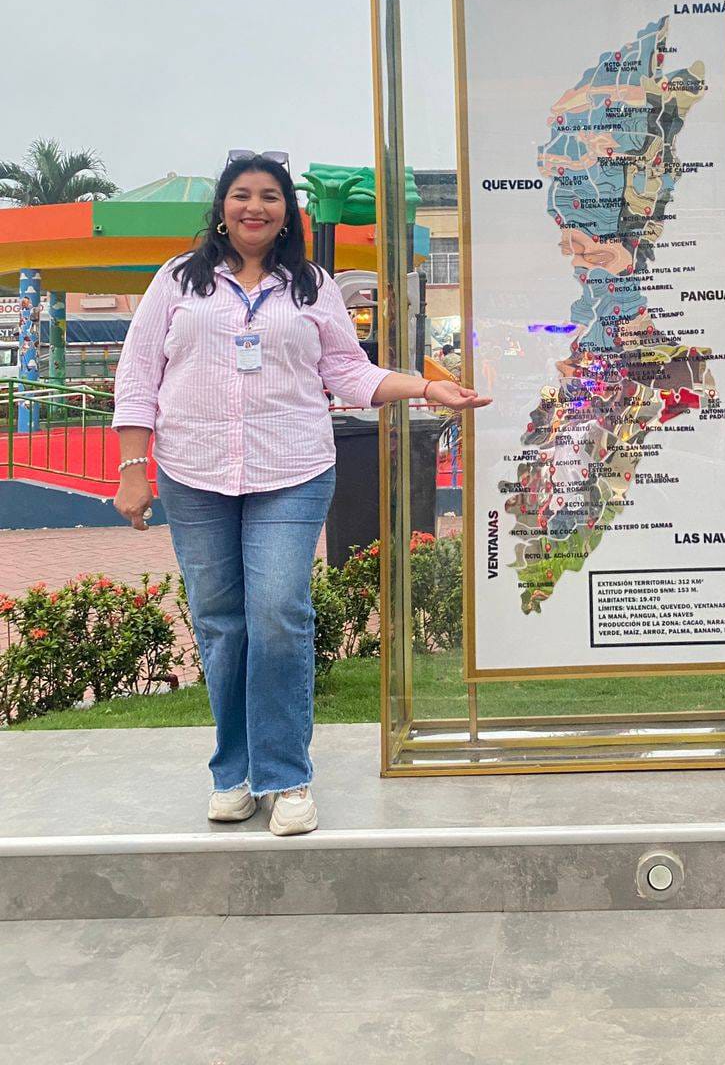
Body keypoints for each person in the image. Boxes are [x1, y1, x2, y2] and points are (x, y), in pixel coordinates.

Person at [112, 155, 489, 836]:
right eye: (241, 195)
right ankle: (232, 774)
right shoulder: (178, 280)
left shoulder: (312, 287)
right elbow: (139, 373)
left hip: (291, 470)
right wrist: (133, 468)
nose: (254, 207)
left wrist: (426, 387)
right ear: (222, 208)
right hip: (196, 474)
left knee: (278, 611)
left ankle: (285, 776)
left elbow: (348, 372)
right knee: (220, 621)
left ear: (288, 211)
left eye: (269, 196)